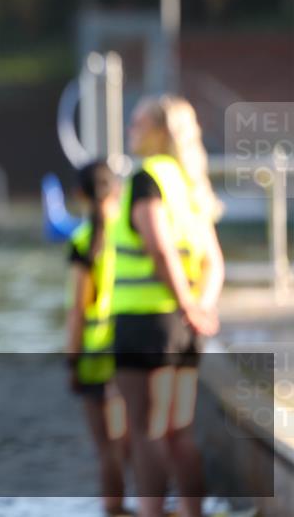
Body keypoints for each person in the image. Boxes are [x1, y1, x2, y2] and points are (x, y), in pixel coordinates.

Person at [111, 96, 223, 517]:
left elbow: (159, 249)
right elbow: (214, 260)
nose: (130, 131)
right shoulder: (190, 184)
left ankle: (152, 512)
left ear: (161, 132)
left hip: (146, 324)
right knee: (180, 433)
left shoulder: (147, 178)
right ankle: (194, 512)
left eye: (138, 124)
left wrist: (187, 305)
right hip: (183, 325)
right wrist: (200, 308)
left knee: (146, 432)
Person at [65, 160, 129, 517]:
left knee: (108, 448)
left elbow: (78, 308)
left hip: (95, 355)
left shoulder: (83, 241)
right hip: (133, 345)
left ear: (79, 195)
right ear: (117, 191)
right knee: (137, 440)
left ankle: (115, 509)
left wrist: (71, 359)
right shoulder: (132, 231)